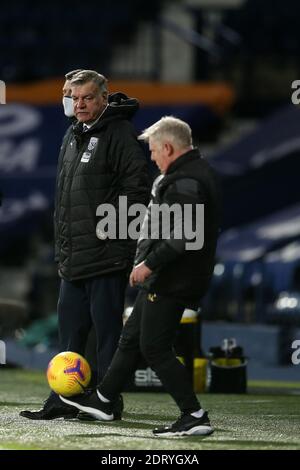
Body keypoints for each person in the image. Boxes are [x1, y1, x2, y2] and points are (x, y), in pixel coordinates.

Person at [59, 116, 221, 437]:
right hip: (168, 276)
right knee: (130, 340)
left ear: (169, 147)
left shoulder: (185, 180)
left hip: (172, 277)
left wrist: (149, 264)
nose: (151, 156)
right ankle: (104, 400)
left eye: (153, 150)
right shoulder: (191, 173)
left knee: (154, 347)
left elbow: (182, 235)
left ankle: (194, 414)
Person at [20, 70, 150, 420]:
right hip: (74, 255)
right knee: (69, 334)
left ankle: (107, 402)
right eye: (75, 98)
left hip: (106, 255)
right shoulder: (72, 133)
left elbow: (138, 187)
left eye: (87, 98)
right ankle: (63, 398)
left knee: (107, 333)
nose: (80, 104)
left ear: (103, 98)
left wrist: (114, 233)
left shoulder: (120, 132)